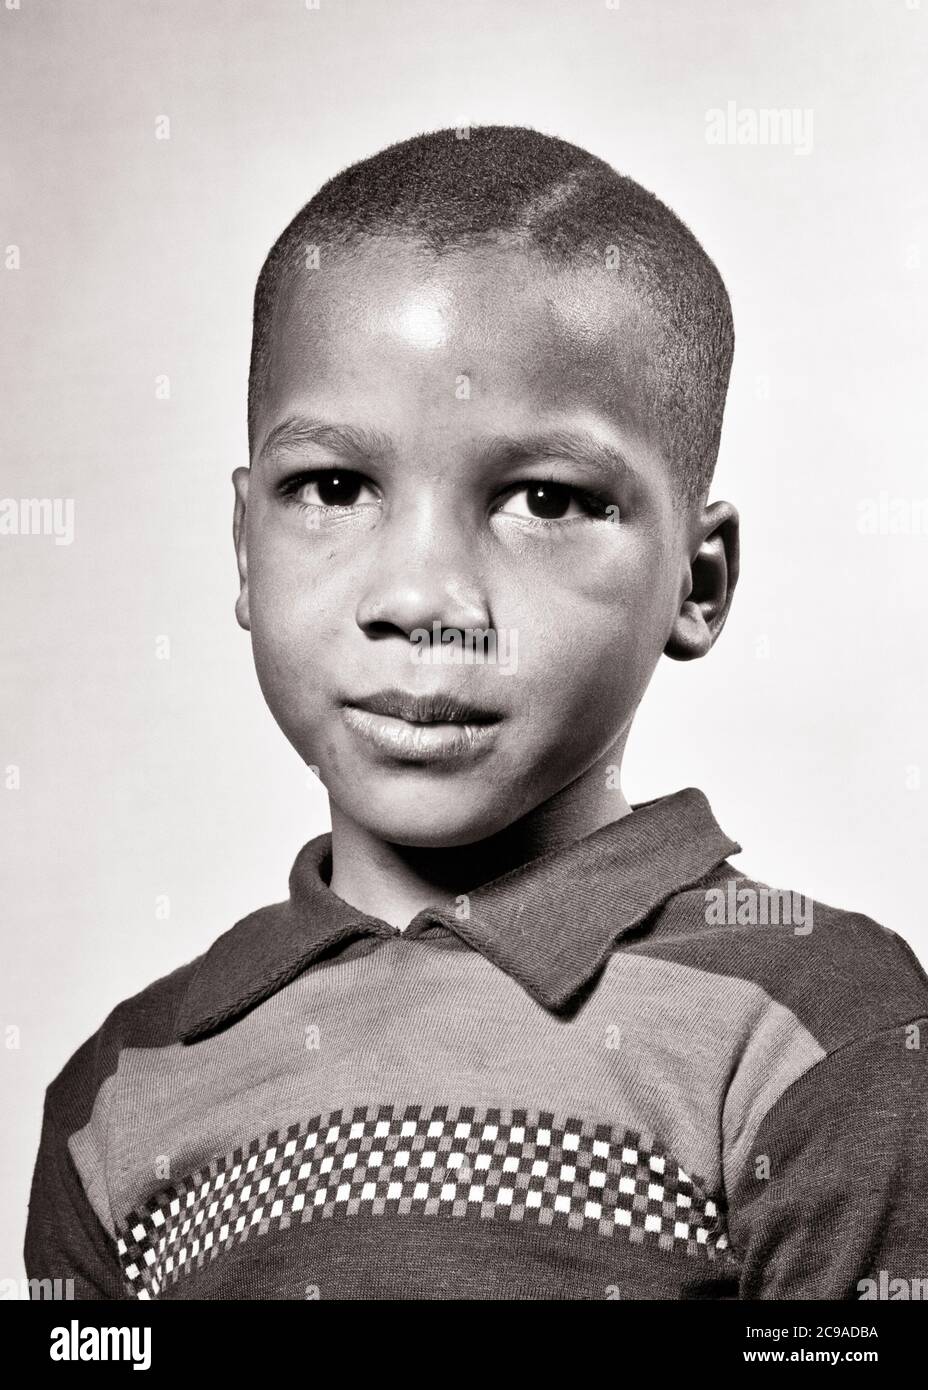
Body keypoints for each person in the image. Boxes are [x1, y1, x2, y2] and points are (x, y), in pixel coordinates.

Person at [25, 126, 928, 1300]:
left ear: (695, 585)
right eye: (334, 489)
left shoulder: (821, 1026)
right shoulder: (119, 1089)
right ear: (245, 547)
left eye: (546, 498)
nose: (422, 600)